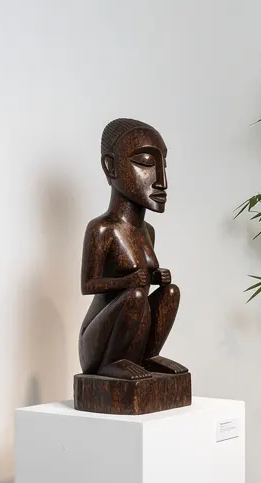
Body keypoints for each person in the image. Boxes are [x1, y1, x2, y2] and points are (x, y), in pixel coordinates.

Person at [77, 118, 188, 380]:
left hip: (133, 333)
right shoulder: (103, 229)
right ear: (111, 166)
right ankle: (114, 362)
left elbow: (144, 280)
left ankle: (147, 356)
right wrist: (127, 281)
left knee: (170, 292)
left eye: (163, 166)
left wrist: (154, 278)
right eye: (146, 164)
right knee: (136, 297)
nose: (162, 181)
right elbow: (88, 285)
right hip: (98, 345)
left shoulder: (147, 232)